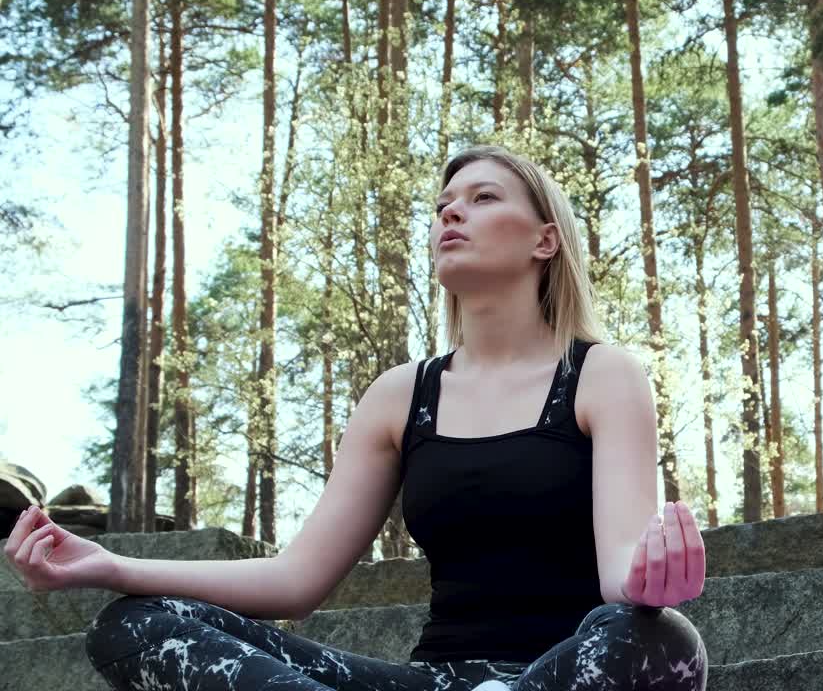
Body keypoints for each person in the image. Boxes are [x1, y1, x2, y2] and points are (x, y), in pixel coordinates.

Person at [4, 145, 709, 691]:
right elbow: (296, 580)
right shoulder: (401, 394)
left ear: (545, 241)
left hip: (557, 672)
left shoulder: (602, 375)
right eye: (443, 205)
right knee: (138, 622)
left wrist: (653, 580)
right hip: (426, 678)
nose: (450, 214)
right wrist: (107, 565)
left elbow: (622, 581)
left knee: (659, 638)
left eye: (482, 197)